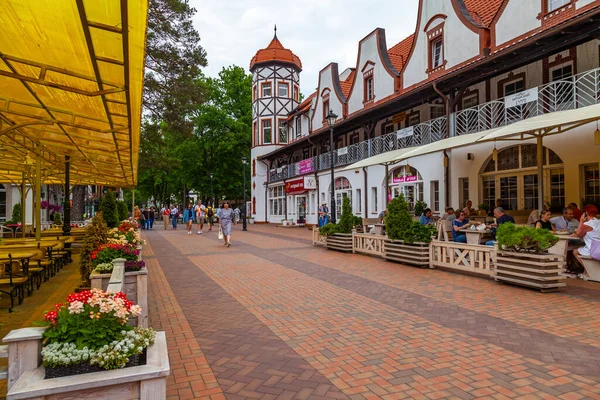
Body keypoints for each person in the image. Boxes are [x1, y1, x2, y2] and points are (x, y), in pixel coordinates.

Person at [573, 205, 600, 278]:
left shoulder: (587, 224)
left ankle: (588, 270)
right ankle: (585, 272)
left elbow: (578, 234)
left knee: (575, 251)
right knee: (581, 248)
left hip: (593, 249)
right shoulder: (598, 222)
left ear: (586, 213)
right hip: (598, 247)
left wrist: (581, 221)